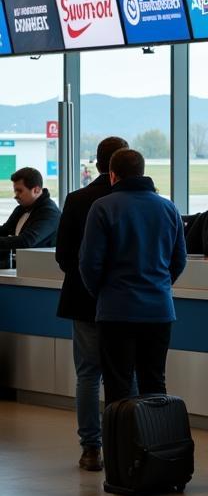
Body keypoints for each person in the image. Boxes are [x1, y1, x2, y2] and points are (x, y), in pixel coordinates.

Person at [79, 149, 187, 407]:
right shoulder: (168, 207)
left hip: (116, 310)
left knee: (118, 386)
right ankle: (154, 443)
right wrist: (159, 285)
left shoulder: (103, 207)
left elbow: (89, 263)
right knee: (154, 382)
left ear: (113, 175)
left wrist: (104, 291)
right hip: (159, 310)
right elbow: (179, 260)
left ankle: (121, 446)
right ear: (142, 171)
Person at [55, 136, 128, 471]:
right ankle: (128, 442)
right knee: (128, 373)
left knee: (88, 375)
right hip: (126, 301)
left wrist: (90, 282)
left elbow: (64, 256)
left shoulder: (77, 199)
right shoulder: (139, 200)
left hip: (84, 300)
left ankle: (90, 449)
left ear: (99, 164)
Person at [0, 167, 60, 254]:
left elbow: (26, 241)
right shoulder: (21, 208)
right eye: (15, 191)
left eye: (20, 191)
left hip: (38, 265)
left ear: (36, 190)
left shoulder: (50, 213)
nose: (16, 196)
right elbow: (4, 230)